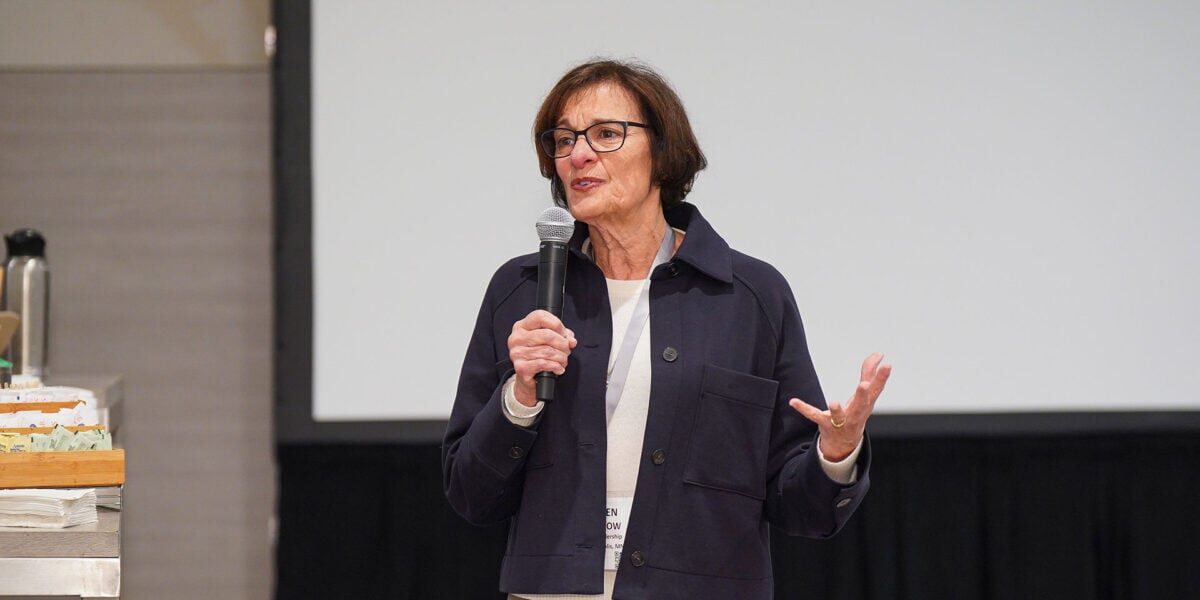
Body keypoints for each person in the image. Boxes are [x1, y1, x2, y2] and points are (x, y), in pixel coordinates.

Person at [442, 59, 892, 600]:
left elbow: (802, 508)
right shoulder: (520, 292)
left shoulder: (747, 295)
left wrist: (836, 456)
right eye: (562, 140)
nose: (577, 154)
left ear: (662, 149)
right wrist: (517, 398)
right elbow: (471, 493)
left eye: (606, 134)